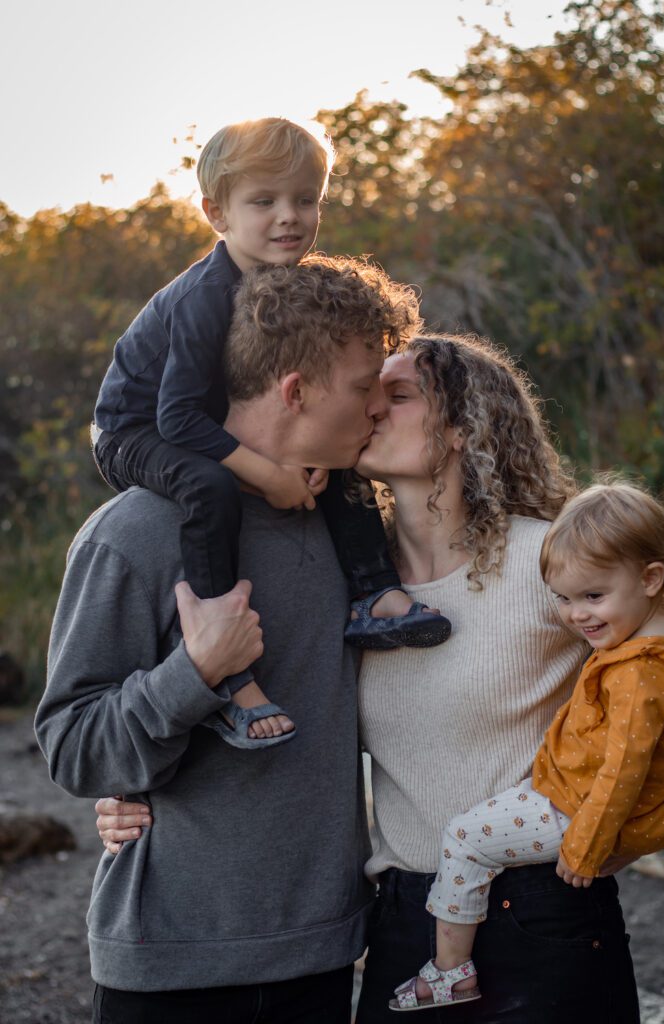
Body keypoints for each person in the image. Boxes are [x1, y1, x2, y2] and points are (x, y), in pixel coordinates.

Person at [95, 333, 643, 1022]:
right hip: (404, 918)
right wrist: (140, 797)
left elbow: (662, 680)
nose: (371, 410)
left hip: (542, 910)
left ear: (461, 428)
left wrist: (628, 829)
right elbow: (293, 733)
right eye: (365, 392)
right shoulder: (345, 583)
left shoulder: (551, 562)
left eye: (399, 394)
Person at [35, 256, 421, 1024]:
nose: (378, 406)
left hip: (322, 952)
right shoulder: (135, 534)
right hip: (172, 963)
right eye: (362, 385)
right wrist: (195, 672)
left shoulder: (357, 537)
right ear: (294, 390)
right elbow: (72, 746)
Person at [91, 118, 449, 749]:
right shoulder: (206, 296)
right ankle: (233, 678)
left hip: (198, 422)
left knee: (343, 457)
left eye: (305, 200)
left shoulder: (289, 279)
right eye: (264, 202)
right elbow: (175, 418)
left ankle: (374, 592)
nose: (290, 218)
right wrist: (268, 473)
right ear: (216, 212)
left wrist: (301, 450)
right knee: (209, 489)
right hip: (135, 429)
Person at [388, 482, 664, 1012]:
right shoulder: (655, 632)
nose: (577, 616)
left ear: (652, 578)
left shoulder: (642, 674)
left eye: (593, 596)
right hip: (568, 793)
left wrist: (586, 848)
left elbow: (623, 770)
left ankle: (450, 973)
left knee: (463, 839)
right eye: (564, 599)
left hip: (577, 812)